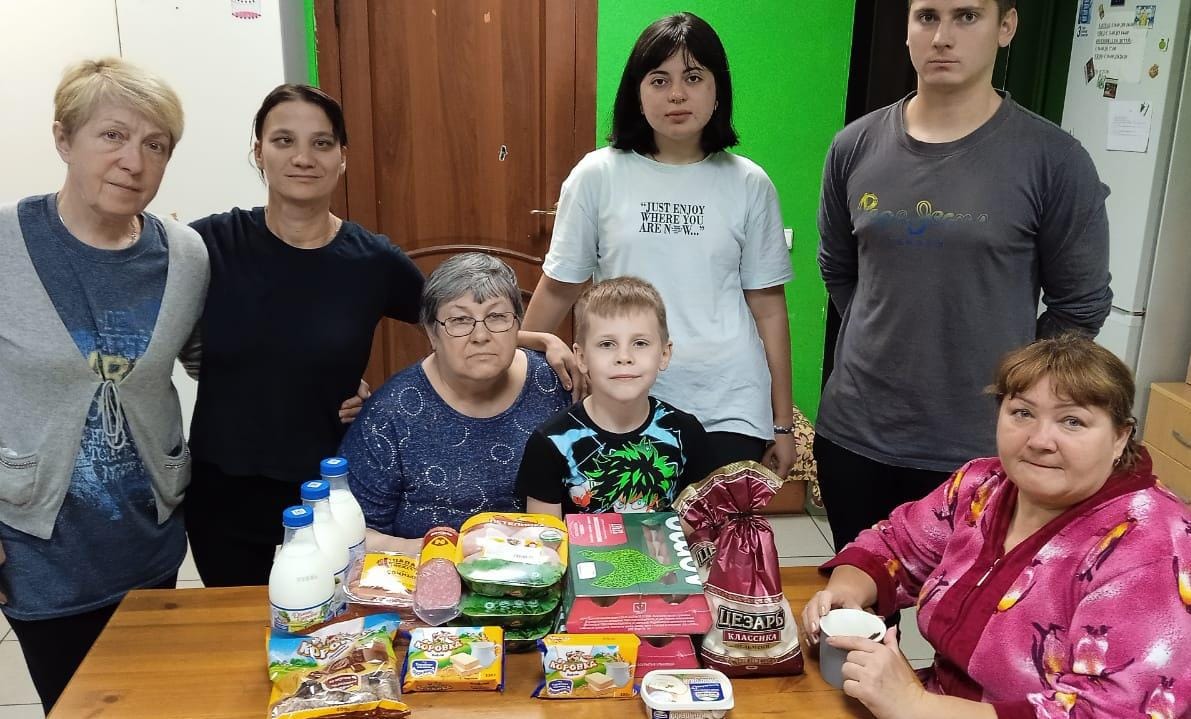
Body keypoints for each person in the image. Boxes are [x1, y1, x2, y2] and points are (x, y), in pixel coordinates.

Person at [815, 0, 1113, 552]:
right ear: (908, 28)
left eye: (967, 16)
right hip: (856, 435)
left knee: (968, 603)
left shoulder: (1054, 159)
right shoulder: (854, 146)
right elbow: (837, 265)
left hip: (983, 445)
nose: (942, 37)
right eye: (927, 16)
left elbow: (1081, 304)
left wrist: (1019, 388)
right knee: (857, 597)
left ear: (1006, 26)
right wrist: (882, 334)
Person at [801, 335, 1191, 719]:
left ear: (1120, 437)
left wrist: (917, 706)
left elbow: (1111, 712)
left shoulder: (1154, 546)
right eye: (1022, 413)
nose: (1040, 440)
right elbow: (897, 544)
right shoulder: (982, 485)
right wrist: (846, 591)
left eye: (1072, 421)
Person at [0, 58, 207, 713]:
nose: (133, 161)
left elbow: (213, 362)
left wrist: (330, 383)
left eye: (155, 145)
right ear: (64, 139)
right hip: (39, 552)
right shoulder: (5, 245)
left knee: (154, 704)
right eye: (112, 135)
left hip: (150, 542)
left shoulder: (186, 255)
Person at [521, 12, 797, 479]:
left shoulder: (749, 183)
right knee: (625, 526)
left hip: (726, 402)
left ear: (718, 90)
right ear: (637, 92)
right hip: (621, 397)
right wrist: (519, 376)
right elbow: (560, 287)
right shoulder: (597, 175)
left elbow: (769, 308)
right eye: (659, 79)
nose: (676, 94)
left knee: (710, 526)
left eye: (693, 77)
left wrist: (782, 424)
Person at [183, 84, 425, 588]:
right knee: (236, 628)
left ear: (342, 157)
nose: (302, 157)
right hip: (223, 493)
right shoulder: (208, 245)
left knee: (329, 629)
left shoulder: (372, 261)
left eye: (321, 143)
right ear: (259, 152)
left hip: (330, 494)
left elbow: (455, 322)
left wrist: (540, 341)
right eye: (284, 140)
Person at [339, 253, 571, 553]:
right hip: (427, 572)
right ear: (432, 333)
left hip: (547, 571)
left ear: (517, 324)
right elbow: (352, 533)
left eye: (497, 317)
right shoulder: (391, 413)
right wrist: (454, 549)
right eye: (459, 320)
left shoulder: (557, 383)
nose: (480, 336)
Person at [517, 277, 715, 517]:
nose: (624, 357)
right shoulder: (550, 443)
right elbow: (545, 535)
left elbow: (703, 526)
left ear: (664, 354)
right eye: (607, 344)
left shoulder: (687, 434)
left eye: (640, 343)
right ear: (581, 357)